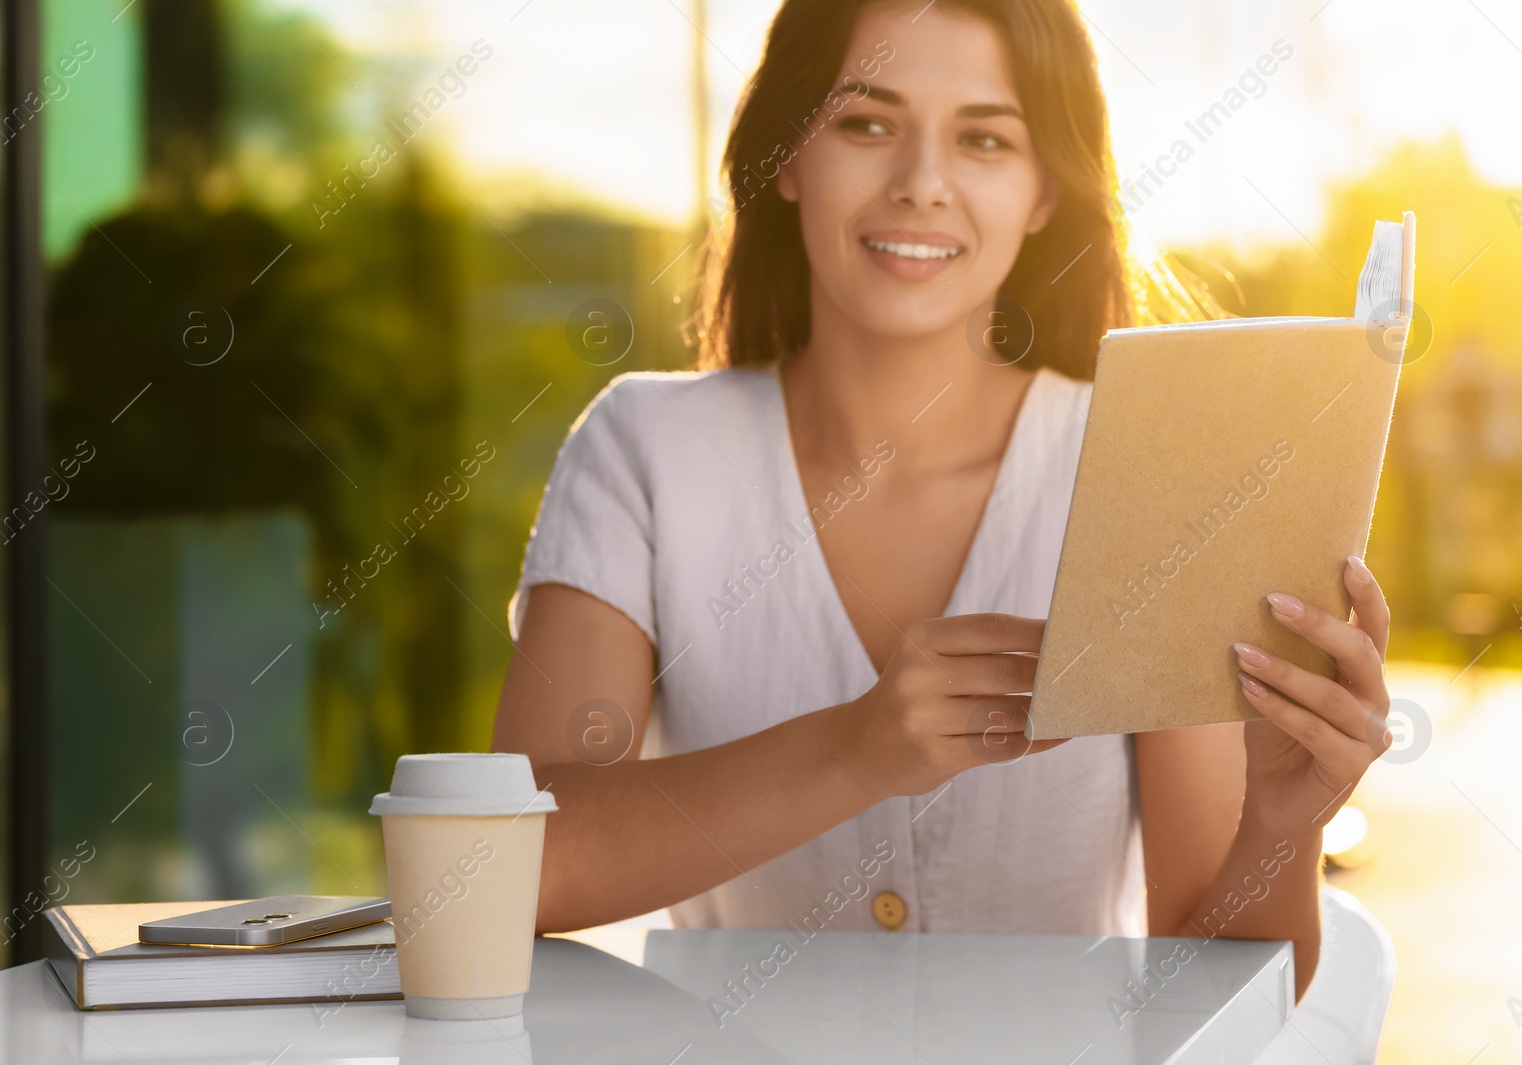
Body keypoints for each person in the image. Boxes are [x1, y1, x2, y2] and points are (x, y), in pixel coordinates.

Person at [492, 0, 1393, 1000]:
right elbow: (507, 867)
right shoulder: (642, 448)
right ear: (786, 155)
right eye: (866, 123)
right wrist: (854, 749)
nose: (921, 185)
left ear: (1043, 189)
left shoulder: (1152, 468)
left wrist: (1282, 822)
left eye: (984, 140)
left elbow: (1207, 973)